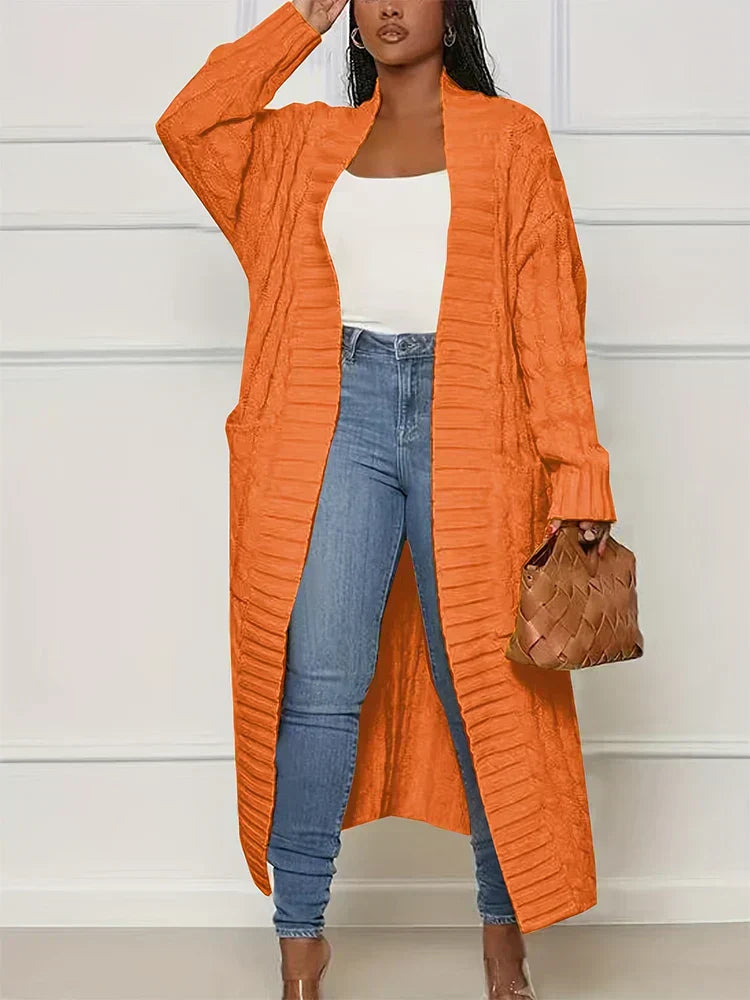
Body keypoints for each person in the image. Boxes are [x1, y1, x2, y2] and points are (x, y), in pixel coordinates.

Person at [155, 1, 617, 997]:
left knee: (485, 683)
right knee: (319, 682)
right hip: (334, 416)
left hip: (475, 423)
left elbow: (549, 314)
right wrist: (298, 21)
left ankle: (502, 934)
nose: (391, 5)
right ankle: (300, 940)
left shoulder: (512, 138)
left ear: (452, 10)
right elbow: (189, 124)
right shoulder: (302, 144)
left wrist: (578, 469)